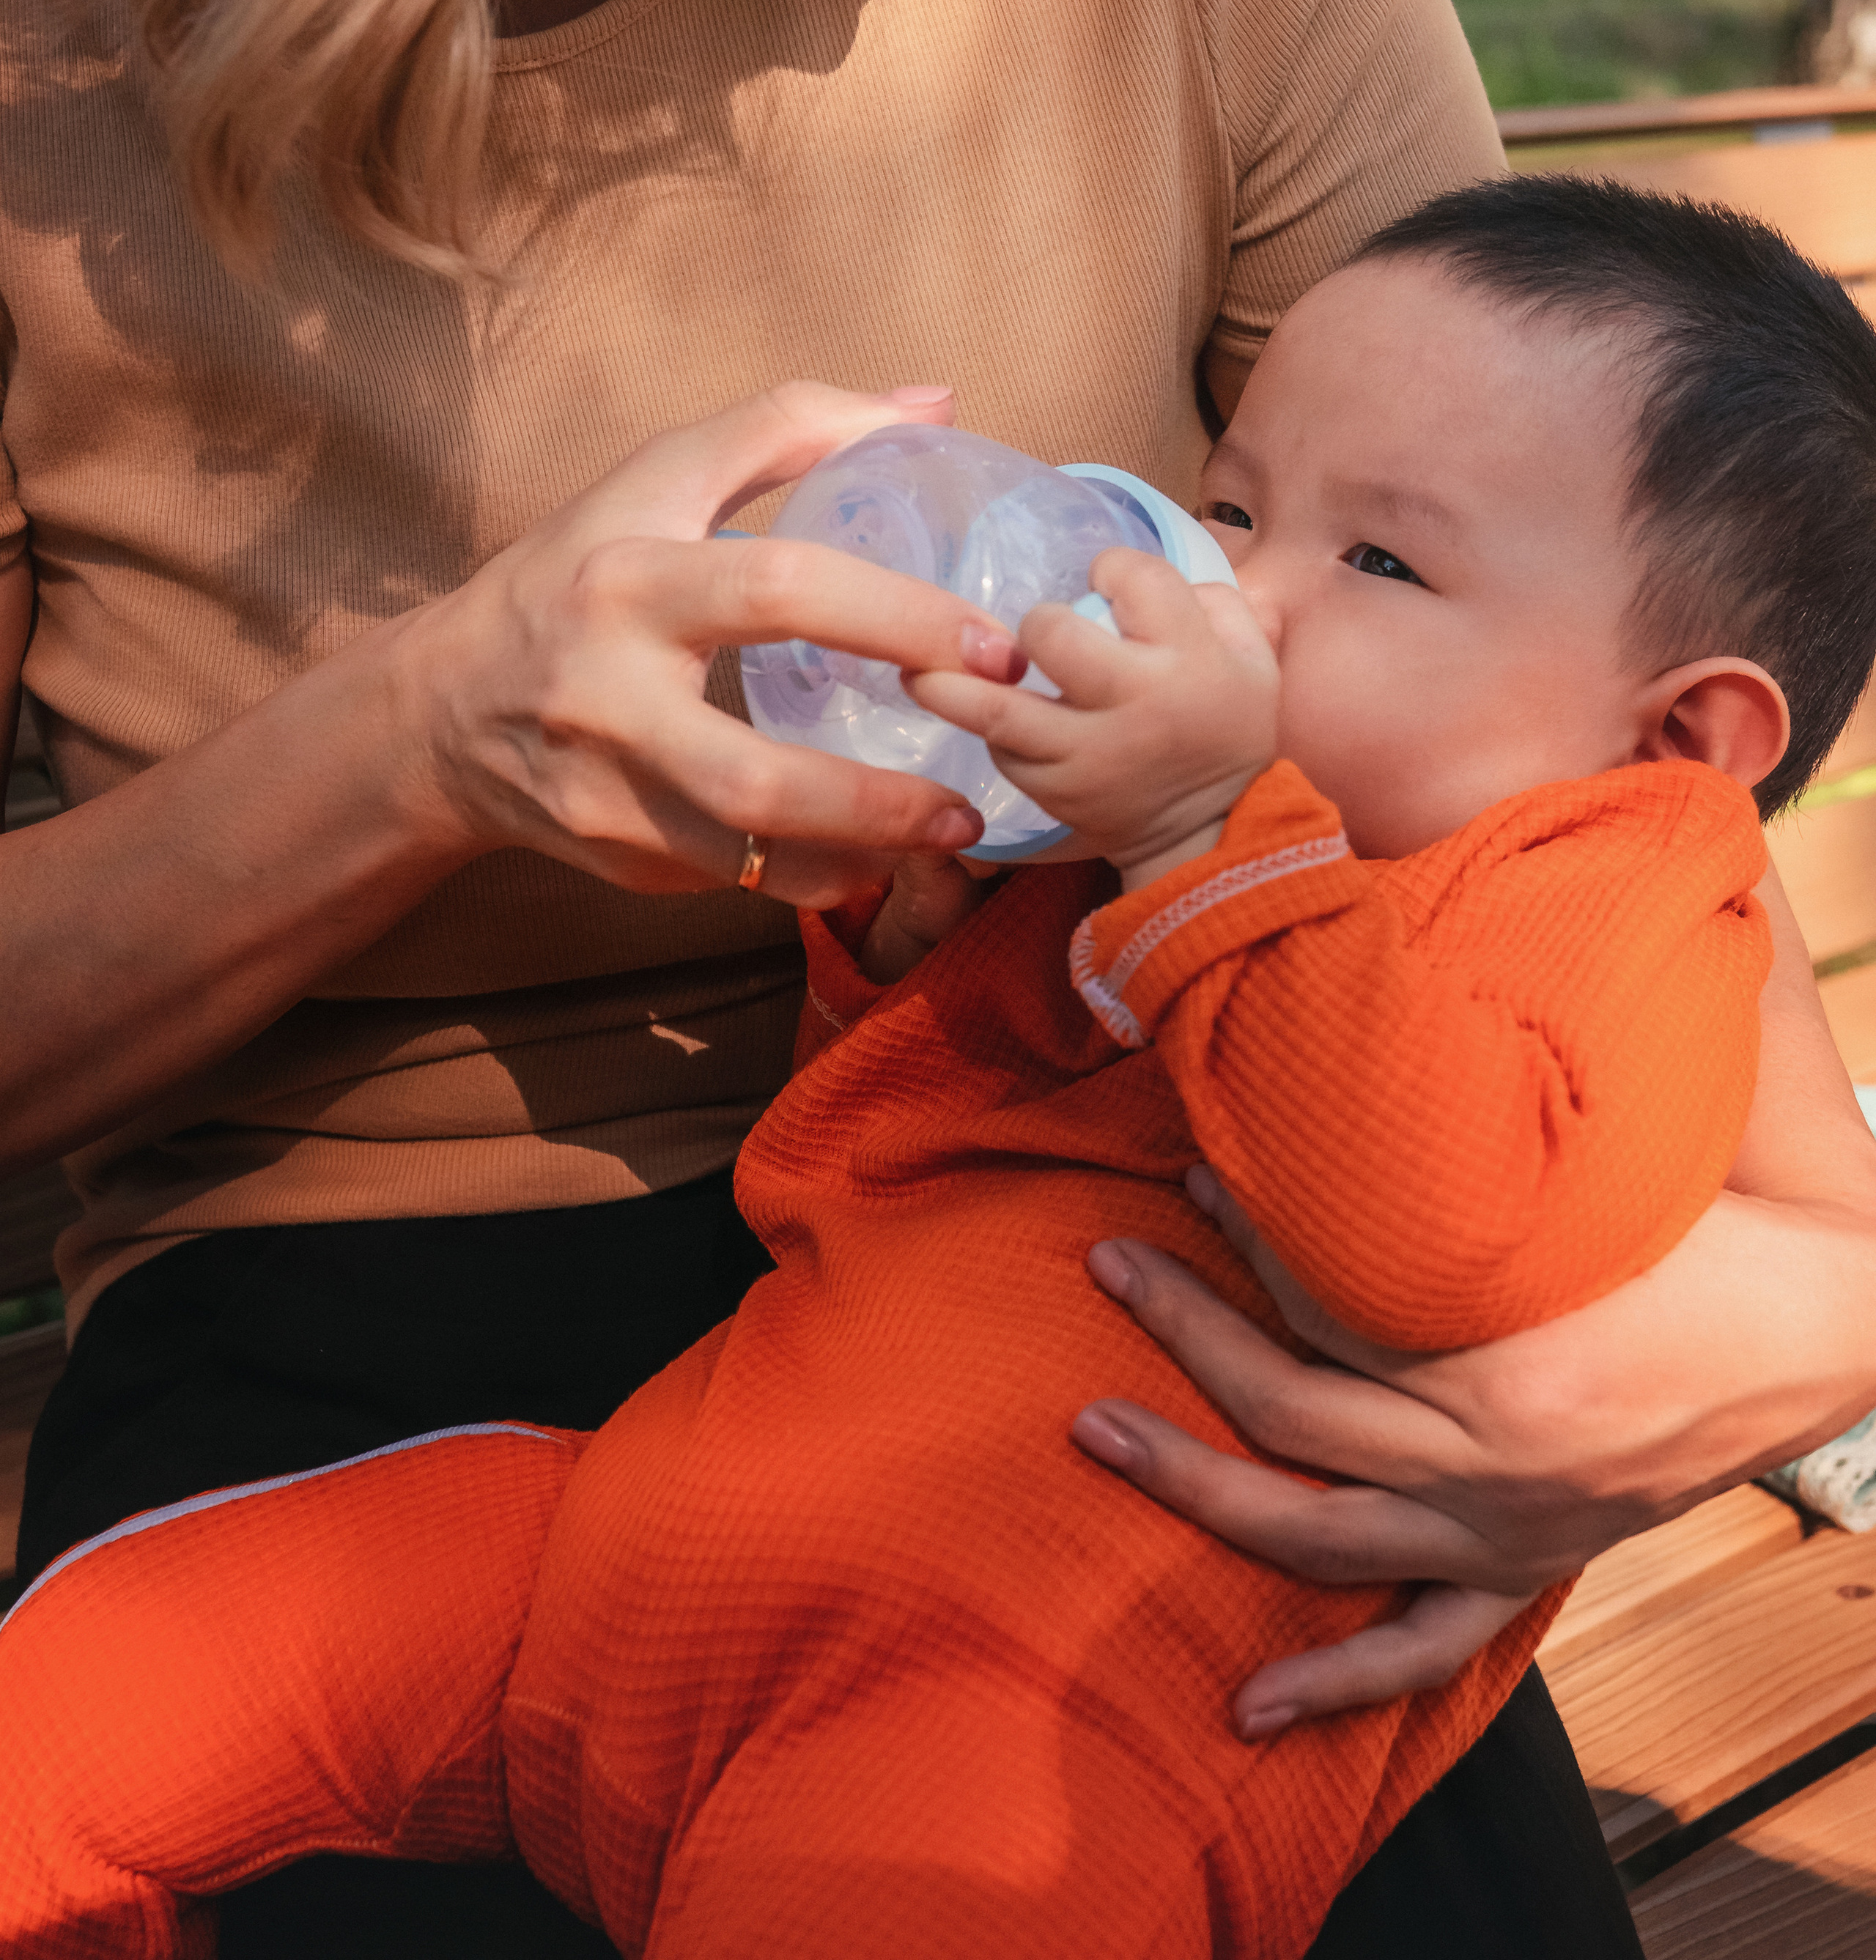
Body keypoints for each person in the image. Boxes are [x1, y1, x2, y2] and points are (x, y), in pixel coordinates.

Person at [1, 0, 1872, 1954]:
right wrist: (421, 740)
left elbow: (1611, 746)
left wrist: (1728, 1346)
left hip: (1160, 1269)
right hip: (384, 1330)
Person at [7, 177, 1876, 1959]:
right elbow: (880, 1149)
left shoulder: (1612, 885)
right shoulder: (1181, 836)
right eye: (1229, 511)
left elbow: (1429, 1245)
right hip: (612, 1541)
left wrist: (1213, 836)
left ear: (1680, 734)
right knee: (78, 1707)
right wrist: (914, 929)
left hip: (998, 1726)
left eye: (1375, 557)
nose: (1233, 598)